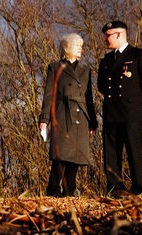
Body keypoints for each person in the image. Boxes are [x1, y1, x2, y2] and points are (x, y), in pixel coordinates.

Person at [97, 20, 142, 196]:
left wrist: (136, 100)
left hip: (131, 112)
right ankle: (115, 189)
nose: (105, 40)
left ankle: (140, 188)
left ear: (118, 34)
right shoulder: (106, 60)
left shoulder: (138, 55)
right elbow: (101, 85)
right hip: (111, 112)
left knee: (134, 151)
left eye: (108, 36)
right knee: (111, 153)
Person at [39, 33, 98, 197]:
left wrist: (92, 122)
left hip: (81, 116)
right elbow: (49, 95)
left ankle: (70, 190)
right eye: (78, 45)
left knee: (76, 156)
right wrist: (44, 119)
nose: (81, 49)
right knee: (61, 154)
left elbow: (89, 98)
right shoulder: (55, 67)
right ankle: (53, 189)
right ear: (67, 48)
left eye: (81, 45)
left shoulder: (86, 70)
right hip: (62, 114)